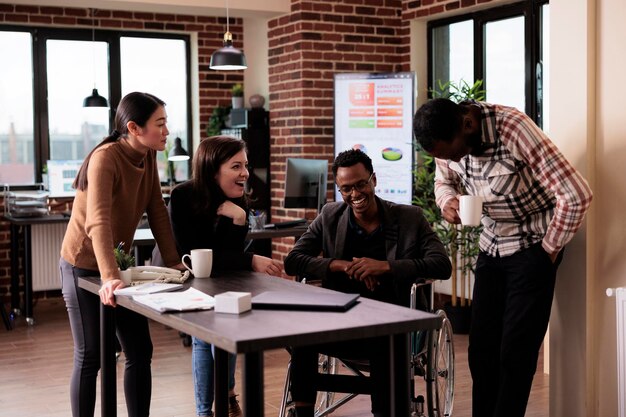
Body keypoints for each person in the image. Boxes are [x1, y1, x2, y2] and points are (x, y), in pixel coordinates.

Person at [413, 98, 593, 417]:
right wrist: (447, 202)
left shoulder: (514, 129)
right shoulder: (447, 140)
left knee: (516, 354)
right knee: (481, 351)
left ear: (468, 126)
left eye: (453, 153)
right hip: (491, 246)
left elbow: (577, 194)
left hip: (532, 247)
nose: (452, 160)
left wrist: (547, 252)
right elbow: (445, 181)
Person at [284, 149, 452, 417]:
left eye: (361, 184)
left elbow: (442, 266)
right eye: (346, 188)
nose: (355, 194)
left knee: (385, 338)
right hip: (343, 317)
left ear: (374, 180)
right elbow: (293, 261)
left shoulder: (410, 218)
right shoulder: (330, 216)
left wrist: (386, 267)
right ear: (339, 190)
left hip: (393, 319)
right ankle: (302, 411)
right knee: (304, 334)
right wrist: (340, 265)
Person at [59, 92, 184, 417]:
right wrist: (109, 276)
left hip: (118, 265)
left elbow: (157, 208)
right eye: (160, 124)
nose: (167, 131)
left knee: (140, 350)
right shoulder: (106, 158)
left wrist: (172, 261)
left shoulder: (147, 156)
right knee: (91, 356)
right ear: (133, 127)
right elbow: (97, 222)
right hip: (82, 264)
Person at [152, 135, 283, 417]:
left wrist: (237, 219)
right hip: (185, 276)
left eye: (245, 165)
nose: (245, 173)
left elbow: (228, 255)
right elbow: (196, 256)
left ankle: (226, 396)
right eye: (236, 166)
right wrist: (250, 259)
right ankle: (206, 410)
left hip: (224, 278)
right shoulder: (183, 196)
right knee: (203, 338)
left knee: (225, 330)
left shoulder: (239, 201)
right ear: (213, 169)